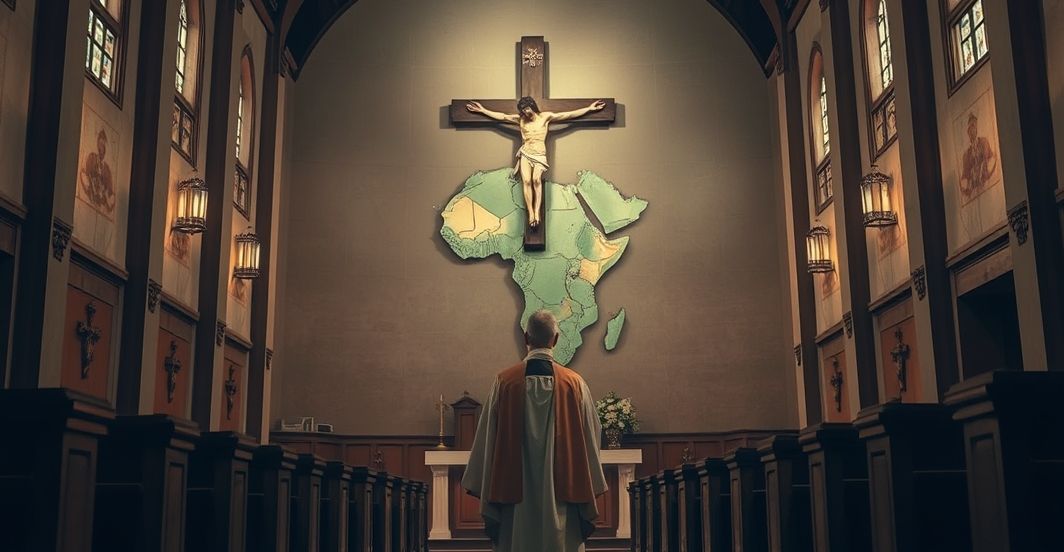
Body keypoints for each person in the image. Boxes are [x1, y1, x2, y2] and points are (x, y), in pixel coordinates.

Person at [462, 310, 607, 552]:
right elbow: (591, 437)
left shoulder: (504, 383)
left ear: (526, 337)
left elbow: (487, 439)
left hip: (514, 505)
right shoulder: (575, 384)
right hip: (562, 500)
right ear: (556, 339)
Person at [466, 97, 605, 230]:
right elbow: (502, 117)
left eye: (527, 108)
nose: (525, 112)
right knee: (526, 181)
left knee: (536, 180)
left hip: (539, 154)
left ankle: (537, 212)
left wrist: (589, 109)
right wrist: (483, 110)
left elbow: (567, 115)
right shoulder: (520, 120)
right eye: (523, 110)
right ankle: (531, 213)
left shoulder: (545, 117)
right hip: (526, 153)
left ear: (532, 106)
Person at [959, 112, 997, 202]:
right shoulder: (966, 155)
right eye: (970, 129)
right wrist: (965, 186)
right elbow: (965, 176)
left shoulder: (984, 142)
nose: (972, 131)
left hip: (987, 184)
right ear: (968, 132)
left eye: (973, 127)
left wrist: (986, 170)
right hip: (975, 189)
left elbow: (992, 158)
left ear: (976, 129)